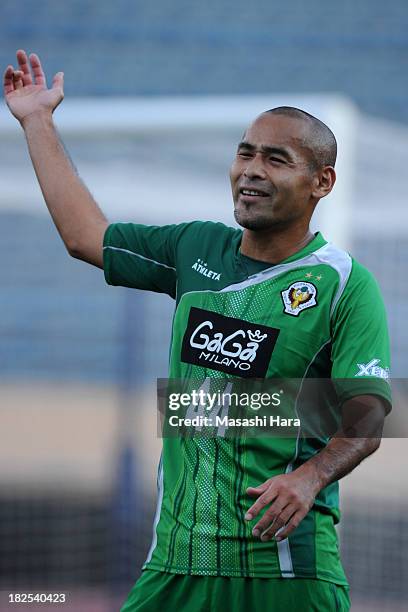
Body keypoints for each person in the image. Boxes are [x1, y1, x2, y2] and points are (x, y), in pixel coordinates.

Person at [4, 50, 391, 612]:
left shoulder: (344, 284)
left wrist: (309, 477)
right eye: (245, 153)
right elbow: (86, 237)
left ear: (322, 182)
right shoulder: (194, 249)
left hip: (284, 570)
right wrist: (36, 121)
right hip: (176, 564)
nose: (252, 170)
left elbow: (370, 414)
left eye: (276, 159)